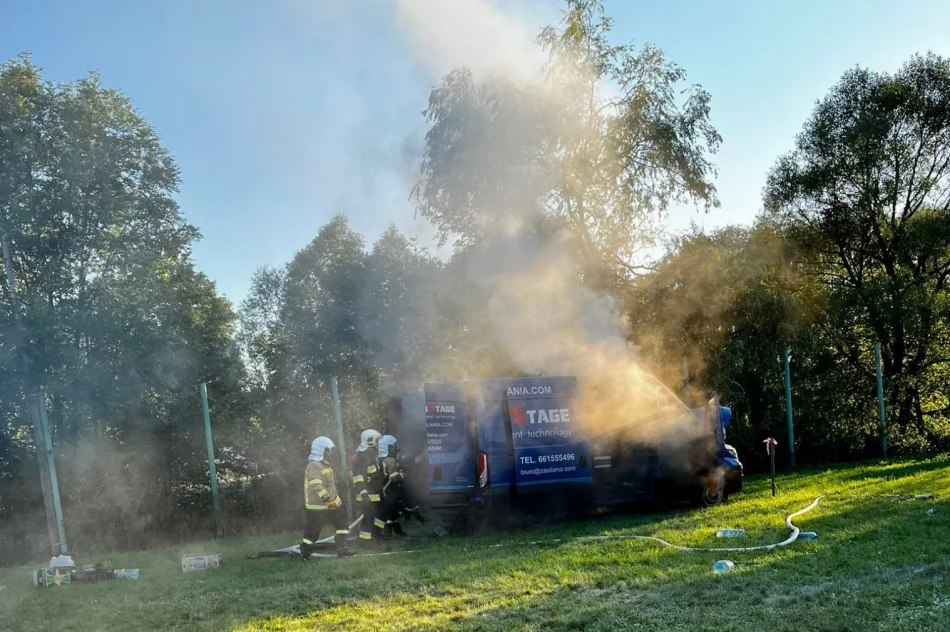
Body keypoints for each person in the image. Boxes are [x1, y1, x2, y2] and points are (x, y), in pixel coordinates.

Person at [301, 436, 355, 559]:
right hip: (317, 505)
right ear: (322, 450)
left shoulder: (325, 464)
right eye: (328, 449)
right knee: (313, 531)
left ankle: (342, 549)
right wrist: (327, 498)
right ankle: (305, 553)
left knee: (342, 524)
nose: (330, 452)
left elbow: (330, 485)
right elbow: (315, 485)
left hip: (332, 502)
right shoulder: (314, 465)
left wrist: (334, 499)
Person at [350, 429, 382, 546]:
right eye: (377, 440)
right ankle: (365, 542)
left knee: (372, 518)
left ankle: (372, 538)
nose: (379, 443)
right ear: (371, 440)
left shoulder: (370, 453)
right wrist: (363, 492)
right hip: (367, 495)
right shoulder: (365, 455)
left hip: (372, 494)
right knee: (367, 519)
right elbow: (358, 476)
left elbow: (372, 474)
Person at [377, 434, 409, 538]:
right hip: (389, 489)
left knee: (392, 510)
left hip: (382, 489)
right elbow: (394, 478)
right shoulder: (390, 460)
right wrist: (403, 474)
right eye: (393, 446)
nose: (396, 448)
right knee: (391, 510)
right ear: (388, 447)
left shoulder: (379, 459)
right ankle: (387, 532)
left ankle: (397, 530)